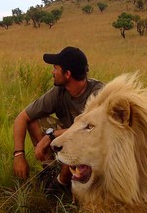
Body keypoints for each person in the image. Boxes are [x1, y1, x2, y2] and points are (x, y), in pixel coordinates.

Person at [12, 46, 104, 193]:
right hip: (68, 141)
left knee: (78, 142)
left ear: (67, 74)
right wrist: (19, 155)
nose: (52, 72)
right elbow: (22, 118)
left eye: (55, 68)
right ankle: (51, 171)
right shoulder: (60, 91)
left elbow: (92, 133)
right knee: (33, 121)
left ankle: (60, 185)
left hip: (90, 149)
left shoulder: (98, 95)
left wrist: (52, 135)